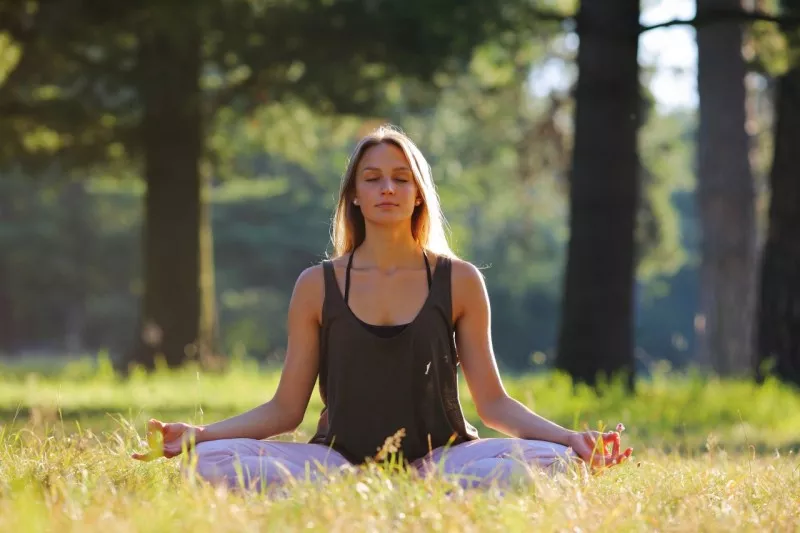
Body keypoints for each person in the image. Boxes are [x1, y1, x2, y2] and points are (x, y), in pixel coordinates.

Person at [132, 125, 633, 491]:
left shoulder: (459, 280)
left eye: (400, 178)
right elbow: (286, 410)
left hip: (444, 458)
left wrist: (571, 438)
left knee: (556, 463)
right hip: (336, 463)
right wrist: (200, 434)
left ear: (418, 194)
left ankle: (420, 490)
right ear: (353, 195)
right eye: (372, 178)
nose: (387, 188)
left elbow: (493, 404)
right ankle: (370, 492)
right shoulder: (317, 285)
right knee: (207, 463)